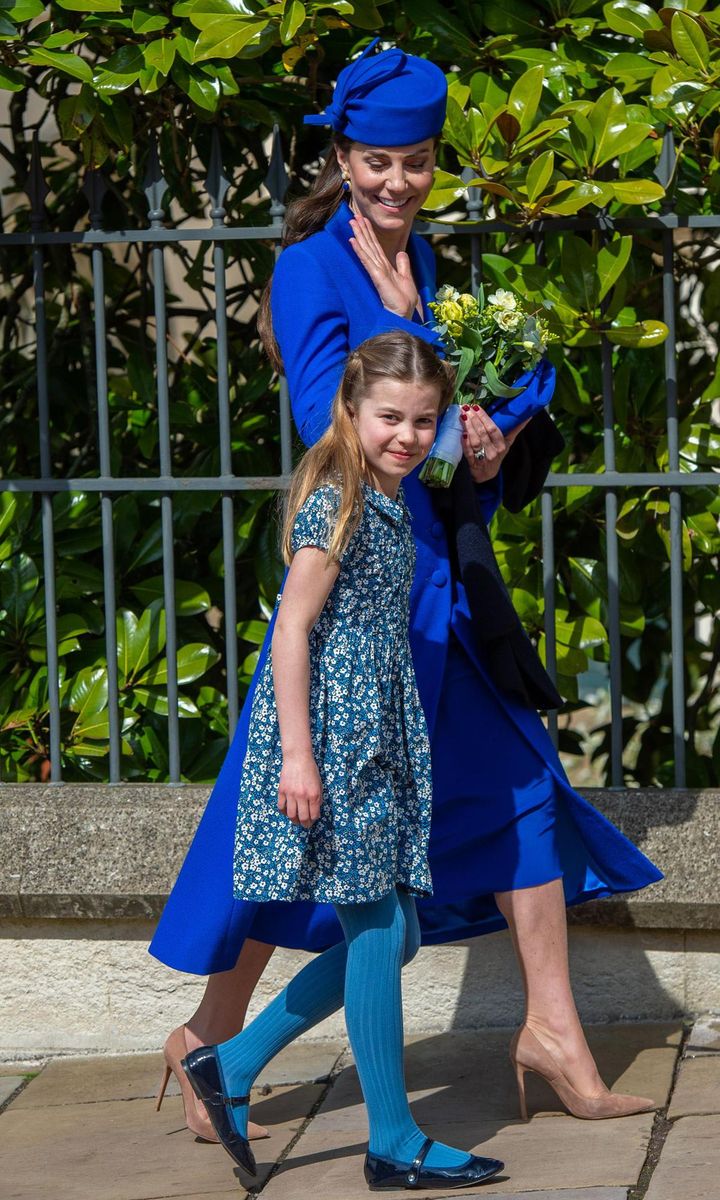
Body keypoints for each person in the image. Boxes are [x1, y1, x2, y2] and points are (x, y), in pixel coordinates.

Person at [150, 40, 661, 1132]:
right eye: (378, 162)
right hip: (360, 574)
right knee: (293, 815)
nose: (396, 183)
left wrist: (480, 437)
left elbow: (422, 397)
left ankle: (554, 1030)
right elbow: (321, 420)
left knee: (524, 782)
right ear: (342, 155)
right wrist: (431, 445)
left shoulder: (423, 261)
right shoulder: (310, 269)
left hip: (444, 584)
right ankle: (208, 1036)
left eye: (417, 162)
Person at [182, 332, 505, 1192]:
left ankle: (233, 1064)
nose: (405, 433)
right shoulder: (337, 495)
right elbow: (291, 630)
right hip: (332, 740)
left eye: (422, 419)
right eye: (389, 417)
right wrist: (298, 754)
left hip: (375, 738)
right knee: (376, 930)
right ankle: (393, 1140)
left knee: (394, 933)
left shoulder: (391, 494)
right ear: (352, 410)